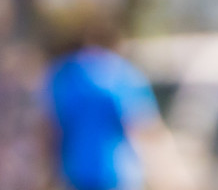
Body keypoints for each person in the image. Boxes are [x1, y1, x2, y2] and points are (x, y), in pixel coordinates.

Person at [40, 25, 170, 190]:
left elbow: (49, 129)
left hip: (76, 171)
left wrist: (48, 173)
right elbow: (144, 125)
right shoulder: (124, 73)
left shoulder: (63, 75)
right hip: (119, 173)